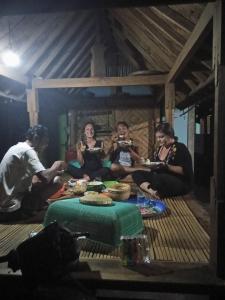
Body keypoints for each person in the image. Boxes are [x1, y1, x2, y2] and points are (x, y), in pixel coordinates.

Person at [0, 124, 67, 221]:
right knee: (56, 182)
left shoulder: (18, 147)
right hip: (11, 208)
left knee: (42, 181)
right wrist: (56, 165)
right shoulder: (28, 151)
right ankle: (27, 212)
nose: (46, 146)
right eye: (45, 142)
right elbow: (45, 177)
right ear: (36, 138)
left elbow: (36, 177)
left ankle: (33, 207)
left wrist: (52, 172)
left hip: (3, 202)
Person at [132, 122, 194, 198]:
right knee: (137, 173)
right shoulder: (159, 149)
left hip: (178, 181)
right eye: (157, 137)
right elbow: (155, 166)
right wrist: (148, 164)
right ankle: (152, 191)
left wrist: (166, 166)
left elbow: (185, 171)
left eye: (161, 137)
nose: (158, 140)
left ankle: (157, 189)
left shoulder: (180, 148)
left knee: (160, 178)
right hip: (160, 178)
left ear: (170, 135)